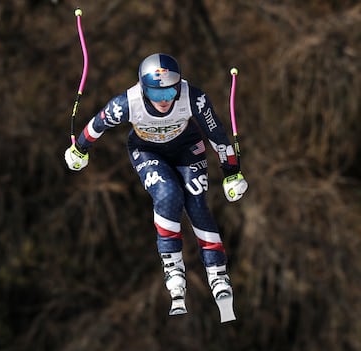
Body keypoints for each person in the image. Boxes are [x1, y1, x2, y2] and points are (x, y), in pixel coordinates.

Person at [64, 53, 248, 316]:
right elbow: (97, 124)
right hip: (147, 151)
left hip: (186, 148)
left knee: (195, 200)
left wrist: (232, 172)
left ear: (179, 84)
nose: (163, 100)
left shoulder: (193, 97)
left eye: (170, 91)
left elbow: (216, 135)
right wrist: (79, 149)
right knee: (168, 194)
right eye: (155, 91)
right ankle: (173, 266)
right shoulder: (128, 102)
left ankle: (217, 273)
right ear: (142, 86)